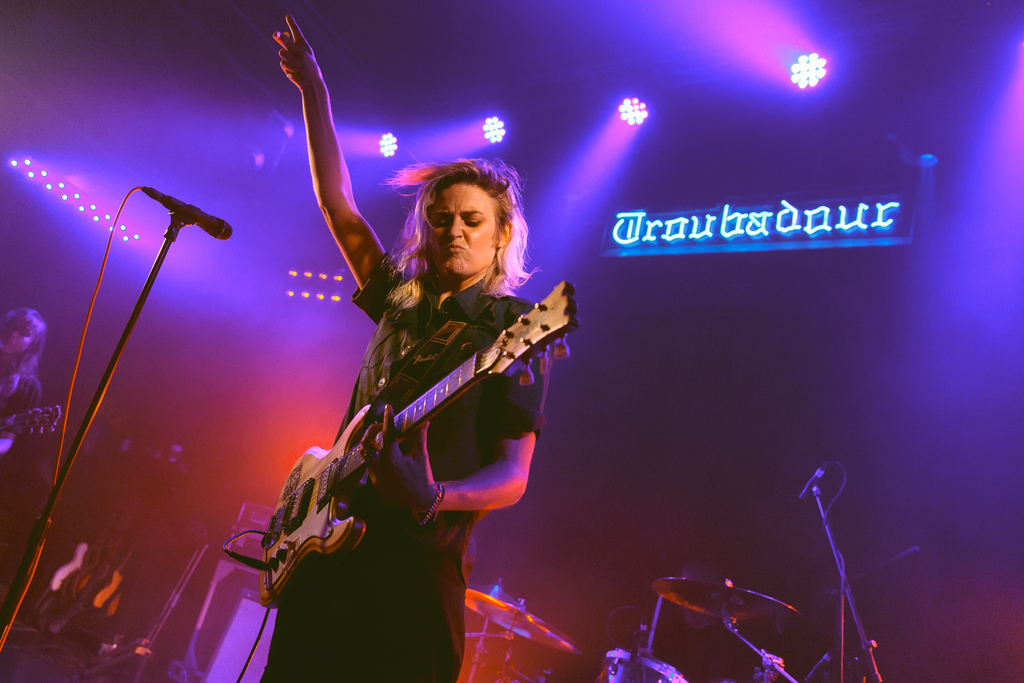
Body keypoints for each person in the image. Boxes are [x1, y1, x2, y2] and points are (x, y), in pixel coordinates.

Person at [263, 15, 547, 682]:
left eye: (472, 220)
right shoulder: (403, 296)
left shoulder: (516, 326)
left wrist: (432, 495)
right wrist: (314, 90)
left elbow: (513, 474)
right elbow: (339, 207)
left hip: (417, 570)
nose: (453, 231)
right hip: (327, 555)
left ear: (502, 233)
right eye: (441, 218)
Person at [0, 308, 47, 591]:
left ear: (33, 343)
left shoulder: (27, 387)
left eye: (24, 332)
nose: (15, 334)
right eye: (13, 327)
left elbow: (6, 438)